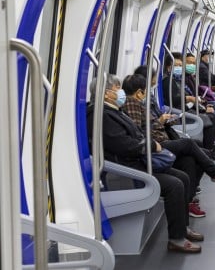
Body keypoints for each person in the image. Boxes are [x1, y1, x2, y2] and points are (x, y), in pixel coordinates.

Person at [86, 75, 203, 253]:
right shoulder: (102, 115)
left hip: (137, 162)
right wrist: (151, 145)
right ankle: (176, 239)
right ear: (106, 93)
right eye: (117, 88)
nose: (121, 92)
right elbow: (123, 145)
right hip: (129, 168)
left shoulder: (114, 111)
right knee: (174, 185)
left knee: (183, 177)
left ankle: (182, 228)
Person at [121, 73, 215, 195]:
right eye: (145, 90)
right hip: (156, 144)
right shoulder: (132, 103)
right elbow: (136, 131)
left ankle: (191, 196)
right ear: (139, 92)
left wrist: (162, 122)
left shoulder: (138, 103)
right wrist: (159, 123)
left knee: (192, 157)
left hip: (160, 139)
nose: (147, 92)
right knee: (188, 144)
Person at [160, 56, 215, 151]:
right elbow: (175, 100)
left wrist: (201, 107)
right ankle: (209, 148)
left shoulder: (180, 80)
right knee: (211, 117)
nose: (179, 68)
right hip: (179, 113)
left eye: (181, 65)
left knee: (212, 111)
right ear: (169, 67)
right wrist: (192, 100)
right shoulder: (168, 81)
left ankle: (211, 144)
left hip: (187, 108)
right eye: (176, 65)